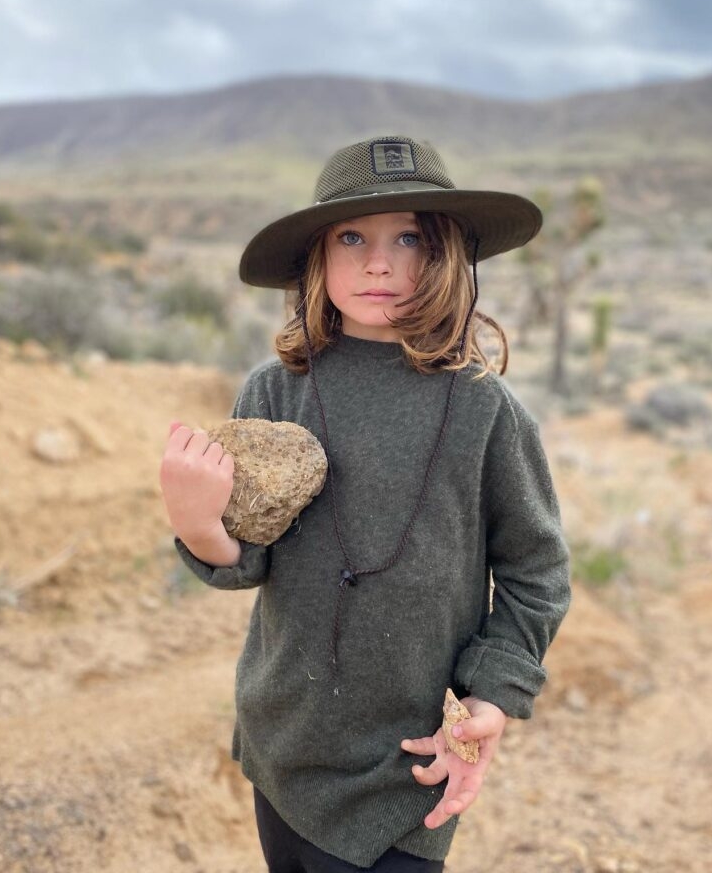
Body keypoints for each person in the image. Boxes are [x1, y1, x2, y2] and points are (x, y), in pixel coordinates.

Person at [159, 135, 572, 872]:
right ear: (316, 255)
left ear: (445, 256)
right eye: (351, 236)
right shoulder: (273, 390)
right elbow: (246, 557)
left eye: (408, 237)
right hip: (285, 737)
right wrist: (197, 525)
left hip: (408, 759)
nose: (378, 262)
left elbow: (535, 572)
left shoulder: (484, 411)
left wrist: (492, 698)